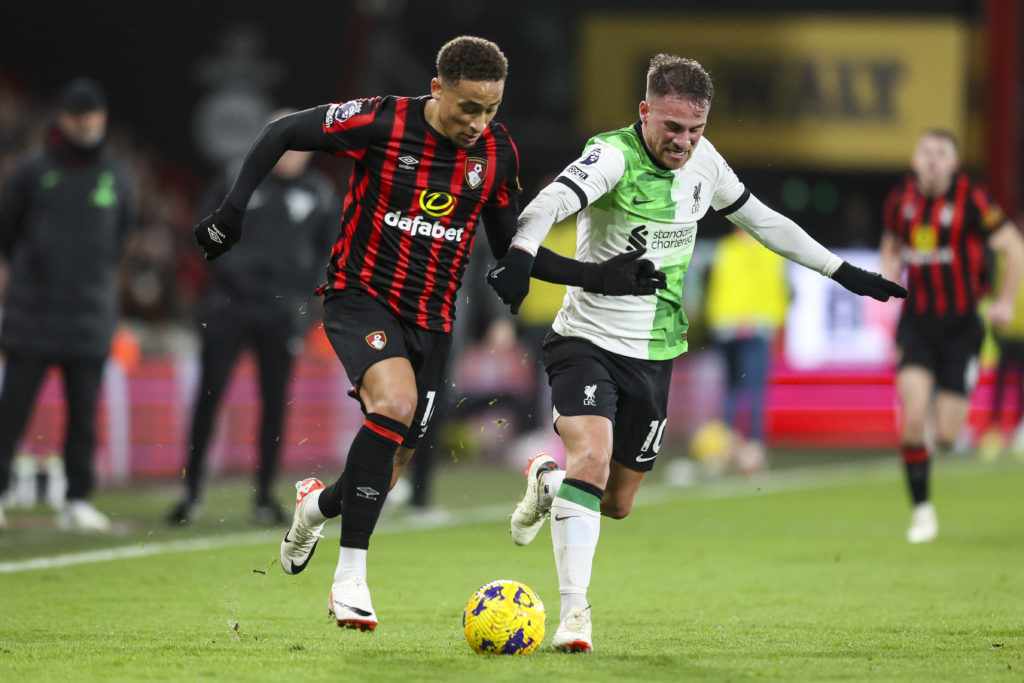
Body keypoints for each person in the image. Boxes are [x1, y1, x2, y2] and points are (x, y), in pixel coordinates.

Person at [191, 36, 665, 631]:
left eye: (490, 109)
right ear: (437, 89)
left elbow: (511, 249)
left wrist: (601, 276)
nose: (479, 122)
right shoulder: (382, 120)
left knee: (388, 464)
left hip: (433, 319)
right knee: (393, 404)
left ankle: (316, 507)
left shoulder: (495, 153)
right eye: (468, 107)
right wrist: (232, 211)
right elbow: (280, 132)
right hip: (360, 297)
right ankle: (350, 581)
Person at [486, 54, 906, 652]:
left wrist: (842, 272)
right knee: (594, 457)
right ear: (645, 112)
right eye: (672, 127)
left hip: (656, 351)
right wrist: (523, 254)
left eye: (695, 129)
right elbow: (549, 203)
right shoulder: (611, 155)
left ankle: (547, 481)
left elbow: (764, 222)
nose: (683, 141)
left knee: (618, 502)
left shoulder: (705, 164)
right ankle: (575, 616)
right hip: (585, 339)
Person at [168, 118, 340, 526]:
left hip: (280, 313)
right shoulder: (235, 177)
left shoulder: (319, 193)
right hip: (228, 305)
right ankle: (190, 494)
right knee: (208, 397)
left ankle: (264, 495)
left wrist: (305, 300)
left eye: (303, 145)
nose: (294, 153)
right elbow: (202, 230)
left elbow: (329, 250)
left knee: (275, 404)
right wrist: (226, 274)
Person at [0, 78, 135, 531]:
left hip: (89, 316)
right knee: (11, 413)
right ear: (62, 118)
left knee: (83, 418)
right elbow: (7, 230)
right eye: (80, 115)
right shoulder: (32, 171)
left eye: (95, 115)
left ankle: (77, 500)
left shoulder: (117, 175)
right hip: (32, 314)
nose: (88, 123)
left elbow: (120, 238)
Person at [879, 129, 1024, 543]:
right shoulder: (900, 201)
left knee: (945, 436)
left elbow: (1013, 246)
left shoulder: (972, 199)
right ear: (914, 158)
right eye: (926, 151)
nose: (932, 159)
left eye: (941, 153)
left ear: (953, 164)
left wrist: (1005, 301)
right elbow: (891, 242)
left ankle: (955, 399)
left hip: (962, 328)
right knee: (913, 417)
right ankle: (922, 512)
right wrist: (888, 273)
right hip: (918, 325)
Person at [704, 225, 789, 473]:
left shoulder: (725, 248)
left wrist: (716, 321)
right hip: (756, 326)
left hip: (728, 326)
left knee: (731, 388)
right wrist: (777, 319)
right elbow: (778, 288)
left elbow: (716, 287)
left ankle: (729, 448)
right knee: (754, 390)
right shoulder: (770, 251)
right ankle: (753, 448)